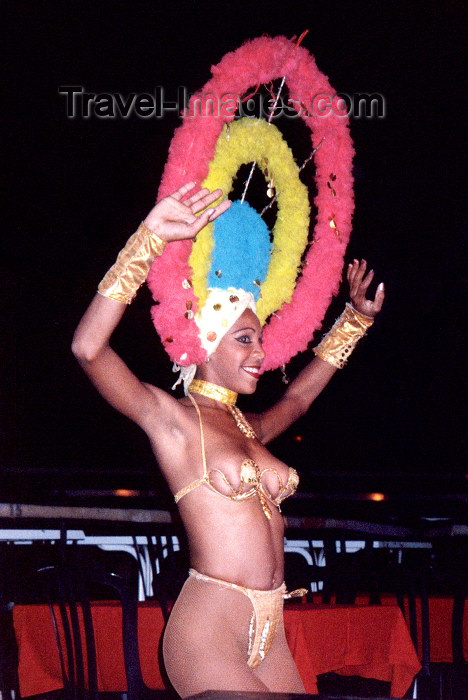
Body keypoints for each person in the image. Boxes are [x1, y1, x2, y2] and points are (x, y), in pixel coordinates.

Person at [72, 182, 384, 697]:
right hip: (208, 630)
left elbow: (299, 401)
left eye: (259, 339)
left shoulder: (247, 427)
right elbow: (88, 349)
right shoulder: (172, 419)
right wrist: (148, 240)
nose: (261, 353)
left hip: (271, 631)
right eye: (245, 339)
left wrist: (355, 322)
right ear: (206, 345)